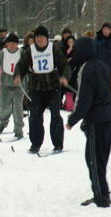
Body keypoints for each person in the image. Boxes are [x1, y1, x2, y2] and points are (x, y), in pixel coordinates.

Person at [66, 37, 111, 208]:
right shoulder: (103, 65)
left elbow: (84, 100)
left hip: (96, 120)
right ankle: (103, 192)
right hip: (108, 117)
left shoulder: (86, 69)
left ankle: (101, 197)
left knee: (93, 160)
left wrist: (73, 119)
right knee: (100, 159)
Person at [14, 25, 71, 153]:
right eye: (37, 37)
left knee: (55, 116)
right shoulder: (31, 50)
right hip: (38, 90)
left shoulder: (53, 49)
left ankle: (58, 144)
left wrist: (64, 77)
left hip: (53, 88)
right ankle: (36, 144)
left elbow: (64, 65)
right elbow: (21, 65)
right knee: (34, 116)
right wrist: (18, 74)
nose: (40, 39)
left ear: (46, 38)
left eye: (42, 37)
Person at [0, 33, 25, 138]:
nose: (11, 46)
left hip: (18, 84)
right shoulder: (2, 53)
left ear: (17, 44)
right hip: (5, 83)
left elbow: (28, 66)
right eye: (10, 43)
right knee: (3, 106)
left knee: (17, 107)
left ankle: (18, 129)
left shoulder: (22, 53)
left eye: (14, 44)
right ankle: (3, 123)